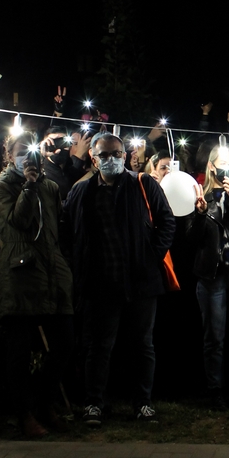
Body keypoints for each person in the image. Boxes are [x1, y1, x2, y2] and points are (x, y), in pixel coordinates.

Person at [63, 131, 175, 424]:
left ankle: (143, 403)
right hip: (99, 283)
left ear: (124, 156)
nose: (111, 159)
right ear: (93, 158)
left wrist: (150, 258)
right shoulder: (81, 192)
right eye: (104, 155)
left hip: (140, 281)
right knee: (98, 346)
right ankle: (95, 403)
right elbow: (68, 231)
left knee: (142, 345)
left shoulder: (143, 184)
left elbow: (166, 221)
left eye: (116, 154)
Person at [0, 133, 75, 436]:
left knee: (64, 343)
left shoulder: (50, 186)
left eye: (32, 151)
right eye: (20, 152)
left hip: (52, 272)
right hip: (21, 274)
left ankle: (45, 403)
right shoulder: (3, 186)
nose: (27, 157)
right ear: (9, 154)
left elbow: (57, 228)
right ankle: (24, 413)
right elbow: (19, 221)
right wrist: (28, 186)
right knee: (20, 350)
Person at [185, 145, 229, 408]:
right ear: (212, 166)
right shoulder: (198, 195)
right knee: (214, 337)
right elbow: (191, 240)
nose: (228, 169)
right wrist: (201, 213)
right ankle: (215, 389)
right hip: (212, 275)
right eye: (224, 164)